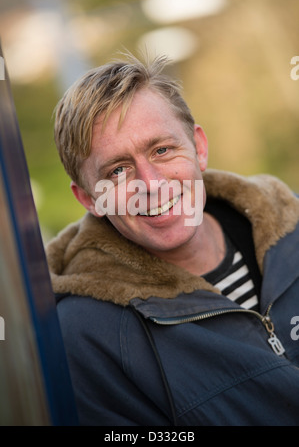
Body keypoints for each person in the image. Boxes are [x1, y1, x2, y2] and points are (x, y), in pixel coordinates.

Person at [46, 52, 299, 426]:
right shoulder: (84, 337)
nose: (152, 185)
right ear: (88, 198)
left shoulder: (292, 226)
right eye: (118, 171)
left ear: (198, 147)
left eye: (162, 150)